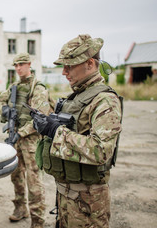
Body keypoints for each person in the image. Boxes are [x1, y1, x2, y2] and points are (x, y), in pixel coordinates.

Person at [32, 34, 123, 228]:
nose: (64, 72)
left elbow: (101, 151)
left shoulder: (104, 100)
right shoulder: (76, 97)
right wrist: (46, 126)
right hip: (66, 195)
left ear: (90, 63)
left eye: (69, 66)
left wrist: (55, 132)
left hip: (88, 201)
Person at [0, 53, 53, 228]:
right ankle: (21, 208)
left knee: (34, 181)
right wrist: (5, 111)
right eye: (16, 65)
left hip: (31, 140)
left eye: (21, 64)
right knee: (16, 175)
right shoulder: (14, 87)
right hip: (15, 137)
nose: (18, 68)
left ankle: (38, 221)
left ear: (29, 64)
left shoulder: (38, 88)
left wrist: (21, 133)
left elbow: (40, 119)